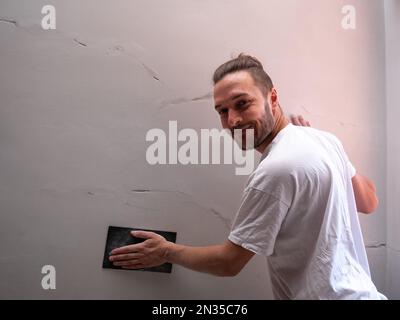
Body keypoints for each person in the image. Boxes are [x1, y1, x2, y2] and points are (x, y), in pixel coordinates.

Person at [109, 54, 387, 299]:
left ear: (273, 98)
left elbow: (229, 263)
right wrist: (328, 148)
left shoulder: (273, 172)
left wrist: (166, 251)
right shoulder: (324, 140)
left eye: (242, 104)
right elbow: (369, 201)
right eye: (222, 111)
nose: (233, 121)